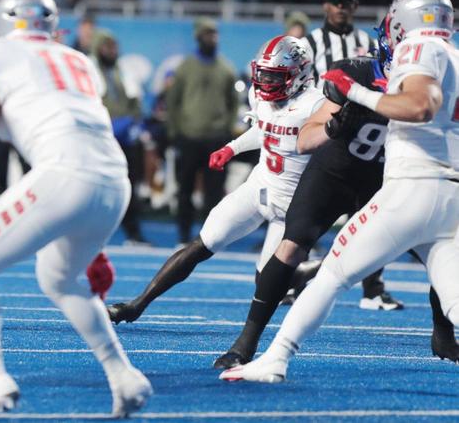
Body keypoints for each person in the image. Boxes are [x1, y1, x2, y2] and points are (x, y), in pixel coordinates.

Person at [222, 0, 459, 383]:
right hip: (355, 175)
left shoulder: (420, 51)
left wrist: (359, 95)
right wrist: (335, 124)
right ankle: (247, 344)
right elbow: (306, 137)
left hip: (401, 184)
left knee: (333, 273)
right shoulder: (444, 56)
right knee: (452, 290)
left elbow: (419, 104)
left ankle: (276, 358)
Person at [0, 0, 150, 420]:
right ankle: (123, 375)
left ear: (2, 19)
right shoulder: (77, 59)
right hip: (114, 181)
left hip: (64, 174)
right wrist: (95, 243)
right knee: (59, 277)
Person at [108, 36, 325, 324]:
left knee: (267, 282)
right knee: (201, 244)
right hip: (258, 187)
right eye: (263, 74)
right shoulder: (261, 96)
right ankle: (137, 305)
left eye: (275, 76)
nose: (265, 82)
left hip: (290, 204)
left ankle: (309, 270)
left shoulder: (317, 105)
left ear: (299, 75)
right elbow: (266, 129)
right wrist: (231, 148)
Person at [301, 0, 401, 309]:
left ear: (356, 6)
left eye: (347, 3)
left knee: (373, 213)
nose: (341, 8)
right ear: (325, 5)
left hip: (365, 133)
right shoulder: (309, 44)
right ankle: (298, 272)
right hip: (324, 129)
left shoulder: (367, 42)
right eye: (336, 2)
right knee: (311, 210)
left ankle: (372, 287)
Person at [167, 18, 239, 243]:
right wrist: (175, 132)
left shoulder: (226, 68)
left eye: (215, 34)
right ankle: (183, 235)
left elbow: (233, 103)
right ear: (198, 37)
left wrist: (227, 129)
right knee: (185, 189)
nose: (212, 38)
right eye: (208, 34)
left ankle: (210, 238)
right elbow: (173, 101)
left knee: (214, 192)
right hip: (189, 136)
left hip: (216, 139)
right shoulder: (185, 68)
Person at [93, 29, 148, 245]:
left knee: (130, 185)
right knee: (96, 187)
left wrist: (132, 122)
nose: (112, 51)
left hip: (125, 139)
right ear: (98, 48)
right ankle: (91, 235)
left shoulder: (124, 71)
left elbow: (136, 103)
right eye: (107, 47)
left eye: (114, 47)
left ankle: (134, 232)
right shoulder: (88, 69)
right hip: (100, 138)